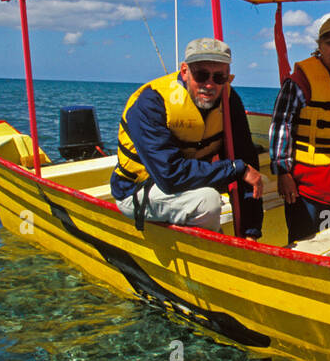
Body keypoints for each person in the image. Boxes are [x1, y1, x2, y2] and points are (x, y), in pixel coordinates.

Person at [111, 38, 264, 236]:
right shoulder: (151, 103)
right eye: (201, 75)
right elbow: (170, 176)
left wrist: (250, 232)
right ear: (185, 72)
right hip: (137, 190)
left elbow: (246, 164)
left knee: (255, 178)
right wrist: (234, 169)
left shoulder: (228, 101)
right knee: (208, 201)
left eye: (218, 78)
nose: (209, 85)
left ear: (227, 77)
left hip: (189, 183)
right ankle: (207, 253)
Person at [268, 17, 330, 245]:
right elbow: (280, 124)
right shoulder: (299, 81)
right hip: (309, 188)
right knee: (305, 245)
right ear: (320, 46)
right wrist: (283, 173)